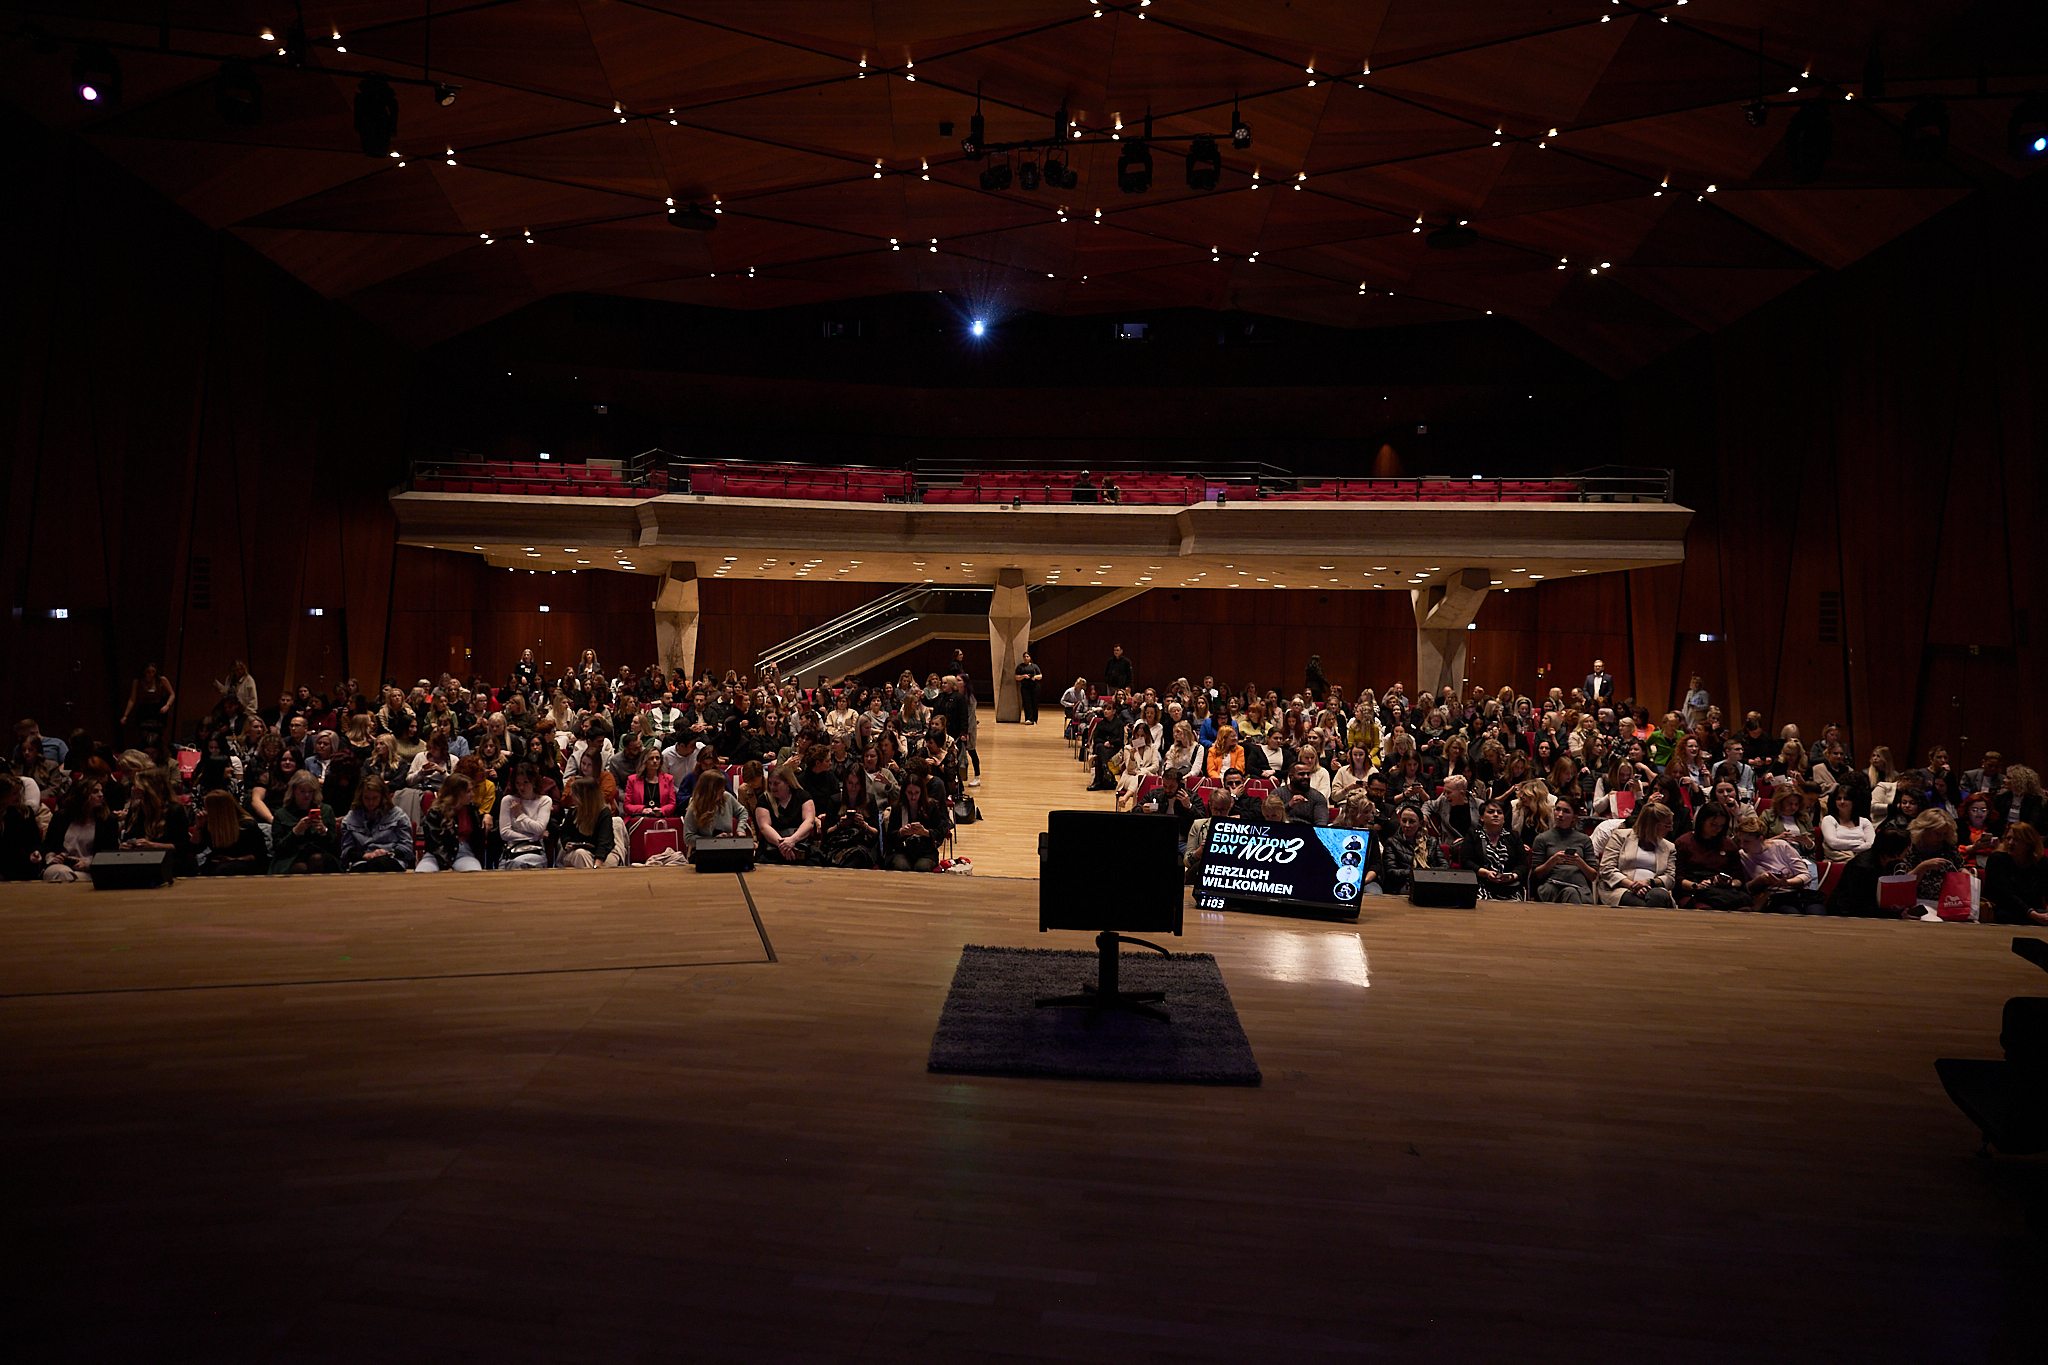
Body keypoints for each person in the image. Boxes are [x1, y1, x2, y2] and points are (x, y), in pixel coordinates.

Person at [1596, 802, 1677, 907]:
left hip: (1654, 890)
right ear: (1652, 825)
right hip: (1620, 889)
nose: (1671, 829)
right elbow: (1607, 869)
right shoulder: (1620, 837)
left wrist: (1649, 882)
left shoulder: (1669, 847)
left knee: (1658, 896)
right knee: (1649, 903)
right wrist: (1633, 886)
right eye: (1667, 826)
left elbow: (1670, 878)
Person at [38, 779, 121, 882]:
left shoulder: (108, 821)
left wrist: (87, 863)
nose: (101, 795)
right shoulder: (60, 817)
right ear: (82, 794)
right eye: (95, 792)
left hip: (89, 869)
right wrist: (52, 857)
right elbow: (47, 845)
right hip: (59, 866)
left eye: (101, 791)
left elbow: (110, 853)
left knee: (70, 877)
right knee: (62, 873)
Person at [1674, 804, 1751, 912]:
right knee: (1706, 909)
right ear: (1702, 821)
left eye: (1721, 825)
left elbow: (1738, 878)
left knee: (1744, 909)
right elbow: (1678, 878)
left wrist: (1729, 883)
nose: (1717, 829)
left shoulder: (1729, 845)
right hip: (1692, 889)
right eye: (1713, 824)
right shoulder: (1684, 842)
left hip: (1721, 890)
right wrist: (1696, 885)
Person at [1734, 816, 1817, 913]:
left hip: (1799, 894)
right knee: (1791, 913)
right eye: (1739, 841)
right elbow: (1746, 888)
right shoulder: (1742, 856)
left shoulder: (1781, 846)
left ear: (1760, 839)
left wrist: (1786, 882)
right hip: (1774, 898)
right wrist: (1759, 880)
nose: (1741, 845)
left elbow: (1805, 875)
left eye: (1746, 842)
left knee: (1817, 912)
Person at [269, 771, 341, 875]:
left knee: (316, 860)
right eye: (302, 791)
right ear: (293, 791)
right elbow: (278, 848)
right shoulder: (281, 814)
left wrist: (323, 831)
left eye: (310, 791)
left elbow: (334, 846)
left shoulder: (326, 810)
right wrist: (296, 831)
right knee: (300, 868)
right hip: (292, 858)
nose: (307, 795)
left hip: (321, 854)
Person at [339, 775, 414, 872]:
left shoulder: (398, 816)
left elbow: (406, 846)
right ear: (361, 797)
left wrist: (389, 854)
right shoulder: (351, 818)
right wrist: (366, 855)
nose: (371, 802)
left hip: (391, 859)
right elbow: (347, 851)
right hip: (362, 861)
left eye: (375, 798)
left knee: (380, 863)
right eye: (367, 798)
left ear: (382, 797)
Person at [1529, 797, 1597, 903]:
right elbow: (1536, 875)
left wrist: (1579, 862)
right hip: (1552, 887)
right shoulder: (1542, 838)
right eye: (1557, 809)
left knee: (1571, 892)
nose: (1560, 814)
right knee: (1568, 893)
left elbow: (1592, 876)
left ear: (1574, 817)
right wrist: (1553, 861)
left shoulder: (1584, 840)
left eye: (1566, 811)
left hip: (1578, 887)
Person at [418, 773, 488, 872]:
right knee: (423, 872)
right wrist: (446, 865)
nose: (472, 794)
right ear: (456, 793)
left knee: (473, 872)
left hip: (463, 852)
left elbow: (477, 840)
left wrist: (486, 816)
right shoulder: (436, 812)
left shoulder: (472, 809)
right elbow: (435, 844)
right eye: (468, 791)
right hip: (437, 854)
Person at [1461, 798, 1526, 900]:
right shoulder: (1473, 835)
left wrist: (1513, 876)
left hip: (1510, 887)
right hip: (1481, 884)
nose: (1495, 815)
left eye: (1499, 812)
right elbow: (1466, 861)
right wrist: (1486, 873)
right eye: (1491, 812)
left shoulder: (1513, 836)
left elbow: (1523, 863)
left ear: (1504, 819)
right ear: (1482, 818)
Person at [1983, 824, 2047, 926]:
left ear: (2029, 844)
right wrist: (2033, 914)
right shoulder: (1997, 860)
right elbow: (2005, 895)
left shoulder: (2041, 862)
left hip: (2036, 910)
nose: (2010, 843)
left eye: (2017, 840)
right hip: (2005, 910)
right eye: (2008, 838)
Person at [551, 775, 620, 868]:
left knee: (608, 861)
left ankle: (593, 874)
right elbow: (564, 832)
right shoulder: (573, 811)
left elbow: (605, 841)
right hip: (578, 852)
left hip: (600, 852)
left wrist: (597, 863)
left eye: (573, 792)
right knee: (580, 854)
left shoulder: (603, 812)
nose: (570, 794)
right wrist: (567, 843)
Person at [885, 775, 949, 873]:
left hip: (925, 851)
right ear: (904, 792)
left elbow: (940, 832)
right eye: (910, 793)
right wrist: (901, 832)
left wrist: (924, 832)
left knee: (921, 867)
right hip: (901, 850)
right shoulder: (897, 807)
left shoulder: (931, 806)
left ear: (922, 792)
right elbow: (890, 835)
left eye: (917, 793)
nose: (913, 797)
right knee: (902, 866)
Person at [756, 766, 818, 865]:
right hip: (773, 845)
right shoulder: (764, 799)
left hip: (800, 842)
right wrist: (783, 845)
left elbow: (809, 822)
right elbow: (764, 827)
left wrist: (792, 840)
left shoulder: (803, 796)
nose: (772, 787)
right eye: (770, 783)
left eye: (776, 784)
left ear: (788, 783)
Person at [195, 789, 266, 875]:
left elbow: (260, 856)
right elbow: (195, 849)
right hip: (219, 862)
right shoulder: (209, 824)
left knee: (224, 869)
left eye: (206, 808)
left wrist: (233, 860)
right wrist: (198, 827)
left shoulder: (247, 825)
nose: (204, 811)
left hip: (244, 863)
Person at [497, 763, 553, 870]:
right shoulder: (508, 800)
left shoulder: (544, 801)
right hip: (512, 850)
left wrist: (519, 814)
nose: (521, 787)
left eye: (525, 782)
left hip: (535, 850)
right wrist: (534, 837)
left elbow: (539, 828)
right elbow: (505, 833)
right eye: (518, 783)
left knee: (518, 864)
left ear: (534, 782)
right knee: (509, 866)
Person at [121, 663, 176, 755]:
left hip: (158, 710)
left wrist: (167, 705)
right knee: (144, 736)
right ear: (144, 672)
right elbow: (132, 699)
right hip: (144, 710)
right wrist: (125, 715)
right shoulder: (138, 682)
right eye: (148, 672)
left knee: (157, 736)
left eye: (153, 672)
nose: (151, 674)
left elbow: (172, 694)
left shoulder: (161, 680)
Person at [1282, 761, 1330, 827]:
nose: (1306, 777)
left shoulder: (1318, 797)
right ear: (1291, 777)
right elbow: (1271, 817)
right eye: (1301, 774)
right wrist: (1289, 806)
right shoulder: (1278, 793)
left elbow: (1321, 823)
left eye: (1308, 774)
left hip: (1308, 830)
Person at [1013, 652, 1042, 724]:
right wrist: (1023, 676)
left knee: (1034, 702)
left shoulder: (1034, 666)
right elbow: (1016, 677)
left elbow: (1040, 676)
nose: (1026, 658)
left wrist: (1035, 677)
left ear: (1030, 658)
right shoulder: (1020, 667)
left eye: (1027, 656)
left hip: (1034, 686)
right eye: (1025, 657)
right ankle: (1028, 719)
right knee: (1026, 702)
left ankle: (1034, 719)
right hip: (1025, 687)